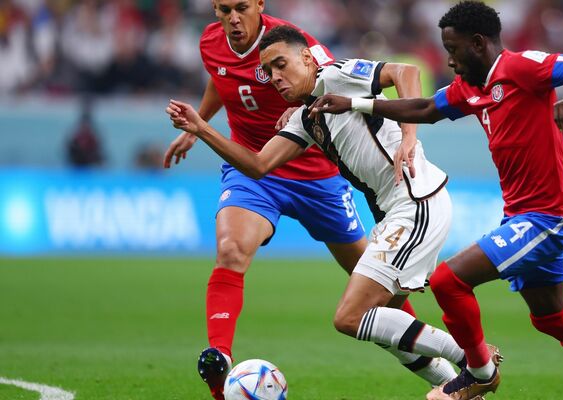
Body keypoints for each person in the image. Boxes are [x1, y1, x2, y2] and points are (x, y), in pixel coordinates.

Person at [309, 2, 563, 399]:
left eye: (454, 50)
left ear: (478, 44)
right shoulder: (470, 89)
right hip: (521, 215)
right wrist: (356, 103)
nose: (450, 61)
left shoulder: (523, 67)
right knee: (551, 317)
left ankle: (478, 373)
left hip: (550, 216)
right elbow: (425, 107)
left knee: (448, 280)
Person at [168, 25, 506, 396]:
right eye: (269, 72)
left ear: (308, 59)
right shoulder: (307, 118)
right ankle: (456, 380)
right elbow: (258, 165)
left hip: (416, 204)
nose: (276, 78)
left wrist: (410, 135)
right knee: (383, 323)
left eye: (282, 65)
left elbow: (404, 72)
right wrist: (202, 128)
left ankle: (475, 361)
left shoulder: (337, 75)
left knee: (350, 317)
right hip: (397, 215)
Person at [159, 2, 418, 399]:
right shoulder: (211, 42)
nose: (232, 18)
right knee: (231, 250)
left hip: (317, 174)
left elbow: (331, 82)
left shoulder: (297, 44)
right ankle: (219, 364)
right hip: (251, 167)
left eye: (241, 8)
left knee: (378, 285)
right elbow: (221, 78)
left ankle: (432, 356)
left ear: (260, 4)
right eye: (224, 9)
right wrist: (201, 126)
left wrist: (302, 108)